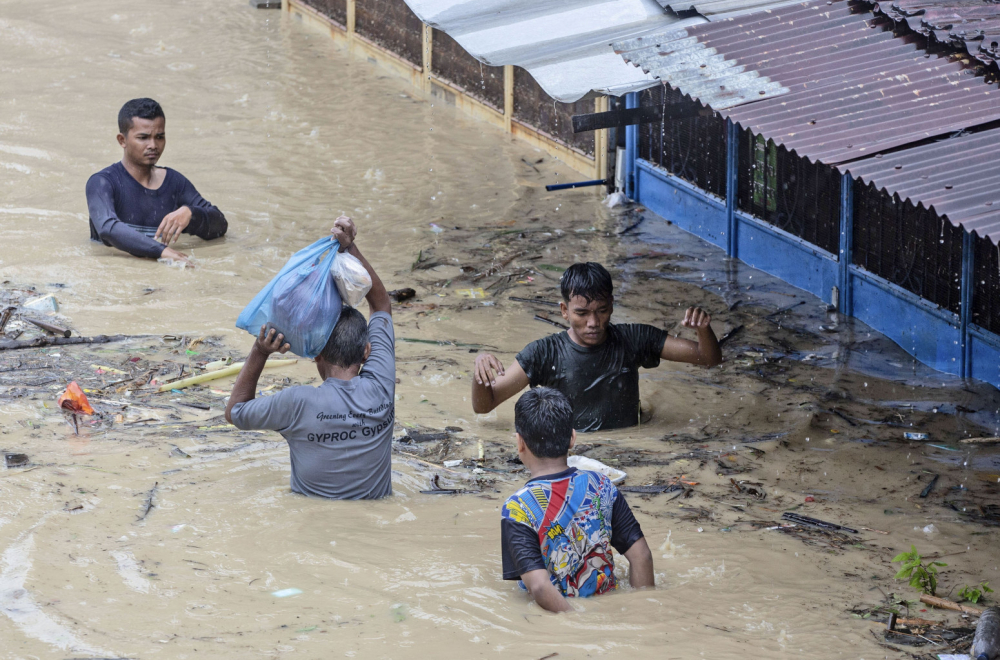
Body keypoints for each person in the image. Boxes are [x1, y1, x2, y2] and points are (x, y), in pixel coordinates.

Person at [224, 217, 395, 499]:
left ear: (316, 354)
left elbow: (235, 412)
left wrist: (260, 351)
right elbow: (381, 304)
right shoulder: (381, 388)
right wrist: (350, 247)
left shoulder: (297, 403)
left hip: (312, 530)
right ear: (367, 352)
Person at [472, 262, 722, 431]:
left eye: (602, 311)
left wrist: (703, 329)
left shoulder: (634, 339)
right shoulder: (544, 352)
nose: (593, 323)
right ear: (564, 311)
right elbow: (484, 406)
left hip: (630, 442)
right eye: (581, 313)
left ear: (612, 305)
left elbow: (707, 358)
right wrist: (480, 372)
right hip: (574, 449)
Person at [501, 387, 653, 612]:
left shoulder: (517, 509)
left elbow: (540, 588)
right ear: (572, 438)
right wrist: (645, 609)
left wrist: (578, 623)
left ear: (519, 442)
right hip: (609, 604)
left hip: (561, 621)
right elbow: (642, 556)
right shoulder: (602, 486)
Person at [86, 98, 227, 264]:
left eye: (159, 137)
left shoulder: (175, 182)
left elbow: (220, 227)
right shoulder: (102, 182)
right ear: (122, 140)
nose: (153, 145)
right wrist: (161, 251)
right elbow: (108, 229)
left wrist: (191, 213)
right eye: (143, 137)